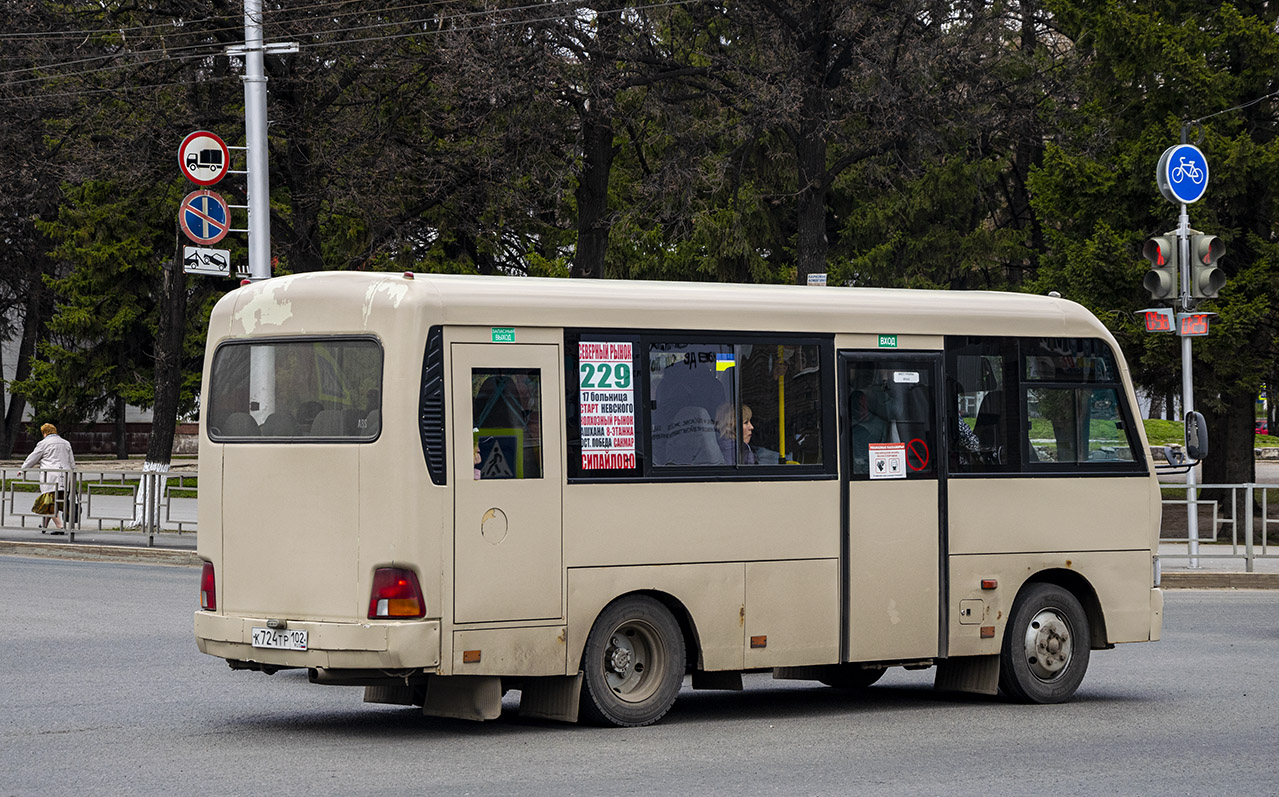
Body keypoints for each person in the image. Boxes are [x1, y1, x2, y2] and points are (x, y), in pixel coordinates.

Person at [21, 423, 76, 534]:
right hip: (65, 475)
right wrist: (73, 473)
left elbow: (33, 457)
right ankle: (44, 525)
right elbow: (71, 461)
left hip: (50, 476)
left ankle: (60, 527)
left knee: (49, 502)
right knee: (55, 500)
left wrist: (23, 469)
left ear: (44, 433)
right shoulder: (66, 443)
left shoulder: (43, 443)